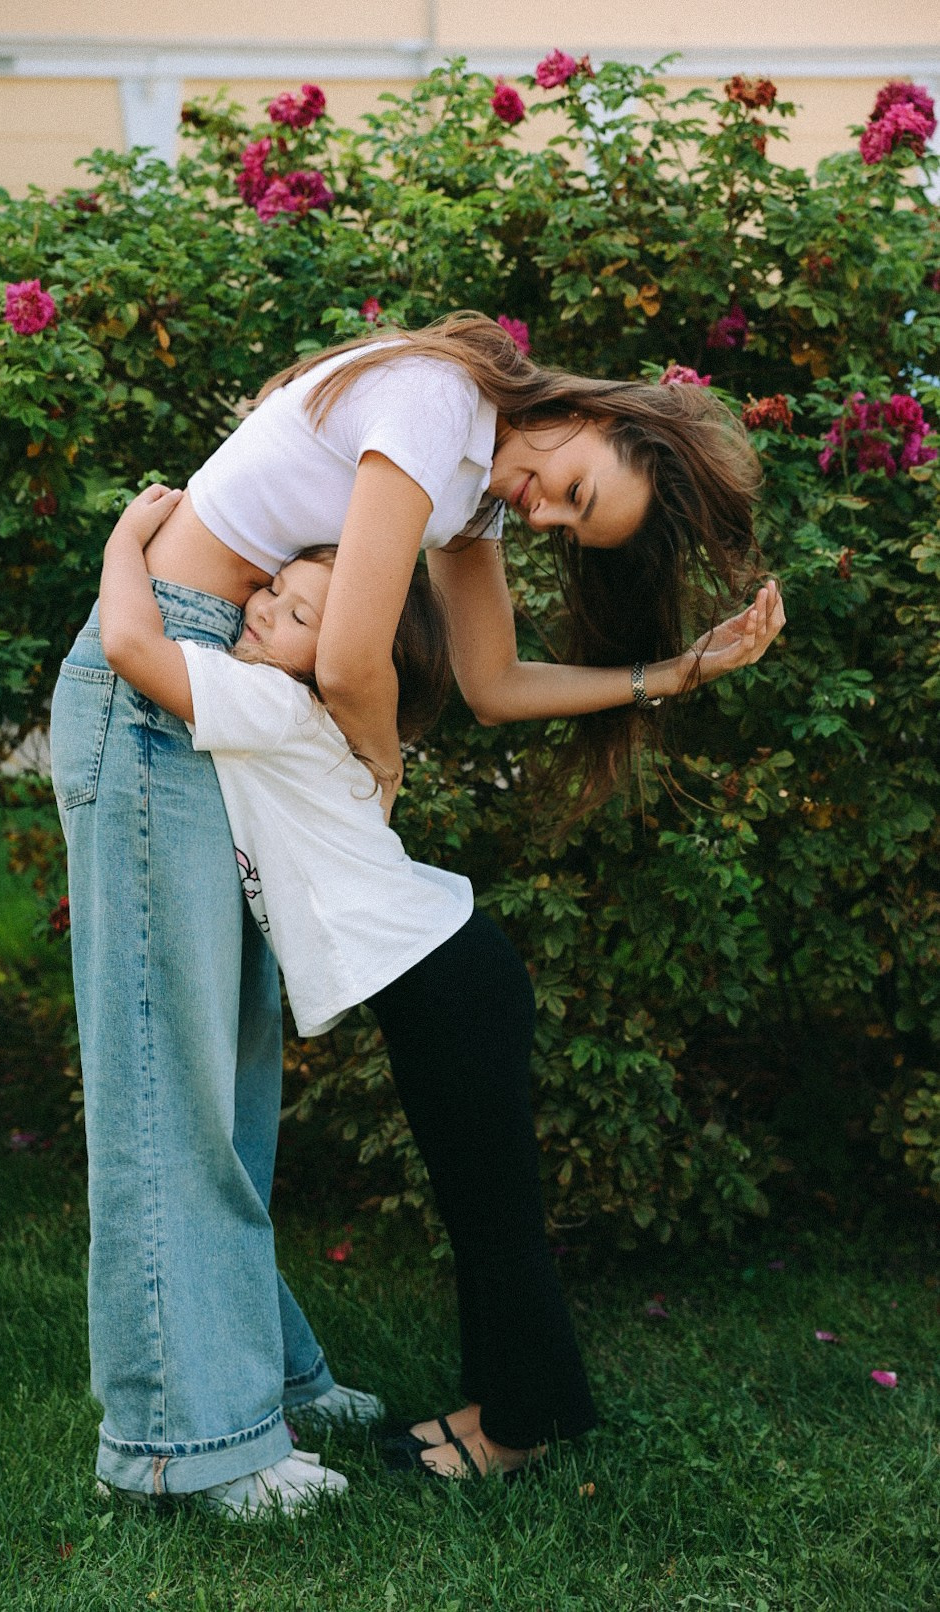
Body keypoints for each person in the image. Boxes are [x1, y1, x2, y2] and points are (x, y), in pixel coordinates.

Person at [49, 312, 784, 1507]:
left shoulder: (470, 489)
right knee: (165, 1082)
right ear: (596, 414)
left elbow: (490, 683)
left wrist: (670, 675)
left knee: (223, 1083)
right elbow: (345, 663)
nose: (542, 513)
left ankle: (261, 1380)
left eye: (564, 525)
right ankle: (184, 1446)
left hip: (216, 674)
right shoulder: (442, 405)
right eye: (575, 492)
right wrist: (375, 769)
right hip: (168, 680)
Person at [98, 488, 601, 1481]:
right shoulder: (302, 712)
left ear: (350, 657)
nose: (264, 609)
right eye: (275, 589)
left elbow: (126, 645)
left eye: (299, 616)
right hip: (449, 973)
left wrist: (126, 537)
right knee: (480, 1204)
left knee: (490, 1209)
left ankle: (522, 1428)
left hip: (445, 979)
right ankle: (504, 1405)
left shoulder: (272, 706)